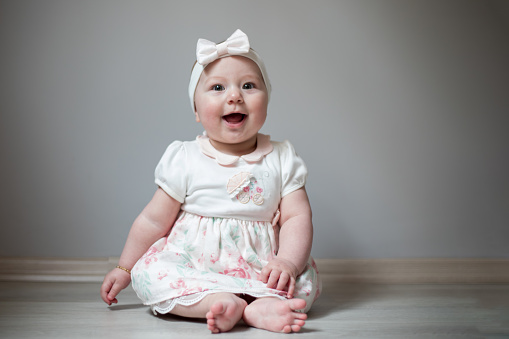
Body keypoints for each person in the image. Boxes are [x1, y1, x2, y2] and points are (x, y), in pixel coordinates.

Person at [100, 29, 321, 334]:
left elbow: (298, 217)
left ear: (267, 99)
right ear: (195, 110)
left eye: (249, 85)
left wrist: (287, 263)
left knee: (301, 283)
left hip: (262, 268)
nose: (235, 96)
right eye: (217, 87)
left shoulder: (282, 156)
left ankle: (259, 304)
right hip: (194, 265)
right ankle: (221, 301)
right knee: (150, 274)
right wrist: (125, 268)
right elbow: (153, 221)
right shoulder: (185, 157)